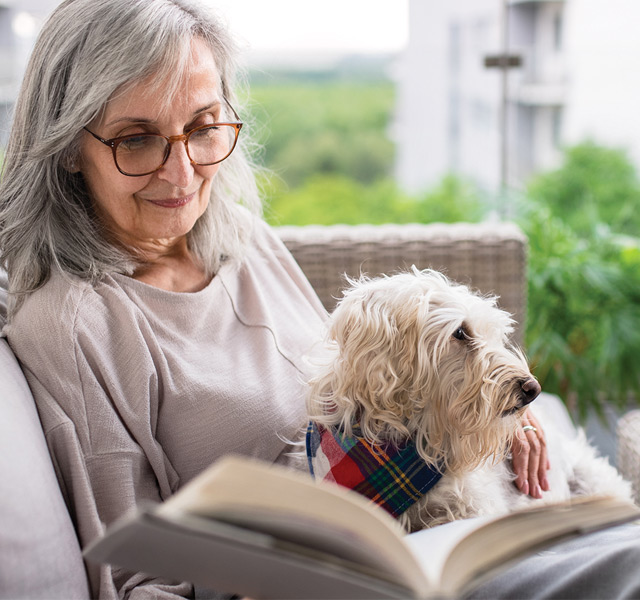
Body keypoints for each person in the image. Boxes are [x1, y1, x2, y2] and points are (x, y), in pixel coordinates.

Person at [2, 1, 634, 599]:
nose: (183, 172)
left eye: (202, 127)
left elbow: (371, 390)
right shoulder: (76, 324)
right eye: (135, 139)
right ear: (66, 149)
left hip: (443, 526)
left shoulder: (242, 240)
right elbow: (137, 580)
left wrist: (498, 413)